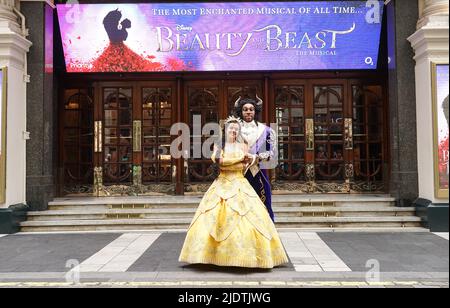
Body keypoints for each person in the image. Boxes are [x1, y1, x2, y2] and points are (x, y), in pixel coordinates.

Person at [179, 116, 289, 269]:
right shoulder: (219, 145)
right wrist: (238, 160)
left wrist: (243, 161)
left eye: (236, 129)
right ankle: (211, 256)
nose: (234, 131)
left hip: (239, 183)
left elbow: (245, 164)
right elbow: (219, 161)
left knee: (250, 217)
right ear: (225, 130)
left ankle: (248, 257)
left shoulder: (243, 146)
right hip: (222, 183)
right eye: (231, 128)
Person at [233, 95, 277, 221]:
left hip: (259, 174)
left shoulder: (267, 131)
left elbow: (272, 154)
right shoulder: (233, 131)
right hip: (239, 174)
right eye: (245, 109)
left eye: (251, 109)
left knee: (263, 205)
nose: (248, 112)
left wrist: (255, 157)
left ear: (255, 111)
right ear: (240, 112)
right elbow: (226, 150)